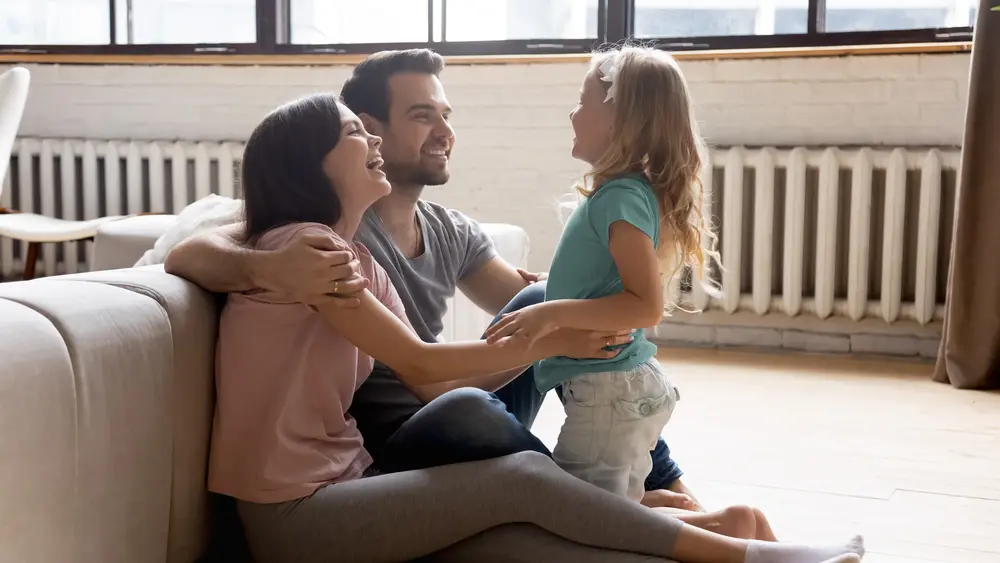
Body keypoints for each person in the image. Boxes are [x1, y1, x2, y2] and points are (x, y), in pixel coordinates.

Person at [210, 90, 865, 563]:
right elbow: (422, 362)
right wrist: (552, 336)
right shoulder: (305, 250)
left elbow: (431, 385)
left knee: (524, 539)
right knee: (518, 483)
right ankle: (745, 552)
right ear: (311, 163)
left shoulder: (353, 260)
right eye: (356, 133)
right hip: (295, 518)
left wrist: (551, 330)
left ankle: (721, 533)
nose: (374, 141)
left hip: (358, 482)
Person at [164, 47, 699, 511]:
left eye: (446, 115)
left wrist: (574, 304)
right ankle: (584, 500)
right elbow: (191, 249)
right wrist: (267, 268)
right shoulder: (332, 228)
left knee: (538, 301)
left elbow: (533, 303)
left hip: (451, 397)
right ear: (368, 127)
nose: (445, 132)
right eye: (423, 116)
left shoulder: (450, 230)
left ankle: (656, 480)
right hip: (396, 440)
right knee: (470, 408)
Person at [483, 44, 782, 538]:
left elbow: (645, 304)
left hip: (608, 393)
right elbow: (610, 282)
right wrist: (557, 286)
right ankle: (716, 524)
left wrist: (548, 313)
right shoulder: (627, 193)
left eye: (584, 102)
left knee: (584, 520)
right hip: (619, 389)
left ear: (621, 121)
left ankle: (721, 527)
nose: (572, 113)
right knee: (612, 508)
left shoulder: (618, 198)